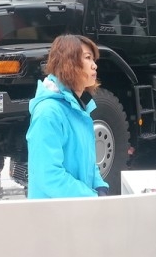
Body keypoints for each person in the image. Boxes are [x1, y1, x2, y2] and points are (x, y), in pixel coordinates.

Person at [26, 34, 109, 199]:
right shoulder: (48, 113)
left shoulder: (79, 108)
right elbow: (49, 176)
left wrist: (100, 187)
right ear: (69, 62)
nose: (94, 66)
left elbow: (88, 162)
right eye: (88, 58)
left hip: (77, 208)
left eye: (94, 60)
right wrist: (92, 198)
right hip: (53, 212)